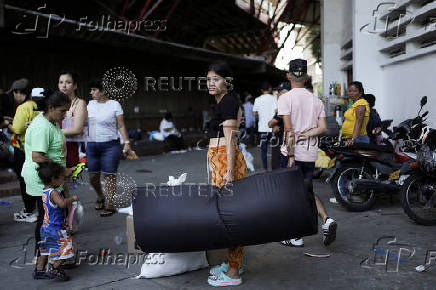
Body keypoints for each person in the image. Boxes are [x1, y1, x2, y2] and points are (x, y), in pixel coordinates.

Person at [278, 59, 337, 247]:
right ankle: (326, 219)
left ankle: (295, 235)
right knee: (306, 190)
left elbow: (288, 130)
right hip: (311, 155)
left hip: (293, 153)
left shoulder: (285, 98)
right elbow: (322, 128)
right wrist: (305, 135)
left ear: (288, 75)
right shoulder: (316, 100)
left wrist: (291, 155)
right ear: (307, 77)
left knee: (290, 195)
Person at [206, 61, 246, 287]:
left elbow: (231, 138)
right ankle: (234, 263)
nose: (210, 83)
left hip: (225, 161)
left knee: (231, 215)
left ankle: (233, 272)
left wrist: (229, 171)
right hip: (220, 159)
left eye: (216, 79)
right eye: (208, 79)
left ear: (227, 82)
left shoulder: (228, 102)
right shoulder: (222, 101)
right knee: (228, 213)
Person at [22, 90, 74, 263]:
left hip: (53, 176)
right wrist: (62, 170)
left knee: (52, 217)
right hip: (42, 178)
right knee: (46, 220)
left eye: (67, 111)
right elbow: (37, 156)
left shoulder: (51, 121)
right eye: (63, 111)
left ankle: (50, 256)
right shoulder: (42, 127)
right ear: (51, 108)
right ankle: (43, 258)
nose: (65, 115)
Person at [86, 78, 132, 217]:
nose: (91, 93)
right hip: (92, 145)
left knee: (109, 175)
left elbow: (121, 125)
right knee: (93, 176)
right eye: (91, 90)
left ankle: (109, 203)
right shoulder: (89, 105)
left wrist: (126, 142)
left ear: (103, 91)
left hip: (110, 145)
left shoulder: (114, 105)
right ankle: (101, 196)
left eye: (94, 90)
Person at [33, 161, 78, 281]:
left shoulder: (45, 191)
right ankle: (54, 268)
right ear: (53, 179)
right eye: (61, 178)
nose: (63, 181)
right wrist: (72, 198)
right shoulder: (54, 193)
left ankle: (39, 270)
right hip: (56, 229)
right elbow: (62, 204)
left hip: (46, 227)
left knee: (46, 249)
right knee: (66, 251)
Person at [6, 78, 40, 222]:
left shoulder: (22, 108)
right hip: (34, 148)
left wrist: (7, 124)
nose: (14, 96)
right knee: (34, 179)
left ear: (20, 93)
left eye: (15, 93)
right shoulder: (35, 105)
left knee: (24, 180)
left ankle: (28, 209)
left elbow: (18, 129)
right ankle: (37, 208)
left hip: (22, 149)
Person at [59, 71, 88, 168]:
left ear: (75, 86)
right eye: (61, 82)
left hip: (70, 148)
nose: (64, 85)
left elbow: (77, 129)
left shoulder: (79, 103)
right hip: (54, 148)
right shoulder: (55, 103)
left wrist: (52, 132)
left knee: (66, 180)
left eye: (68, 82)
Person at [253, 81, 277, 171]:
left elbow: (254, 113)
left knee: (264, 149)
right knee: (275, 148)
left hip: (262, 128)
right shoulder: (274, 98)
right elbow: (277, 110)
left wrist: (260, 116)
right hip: (273, 127)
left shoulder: (257, 99)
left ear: (261, 90)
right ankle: (275, 167)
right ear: (270, 89)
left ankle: (265, 168)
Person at [268, 82, 291, 170]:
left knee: (279, 168)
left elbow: (270, 123)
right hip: (282, 142)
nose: (277, 94)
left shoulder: (284, 107)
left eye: (279, 92)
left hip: (282, 142)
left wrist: (274, 125)